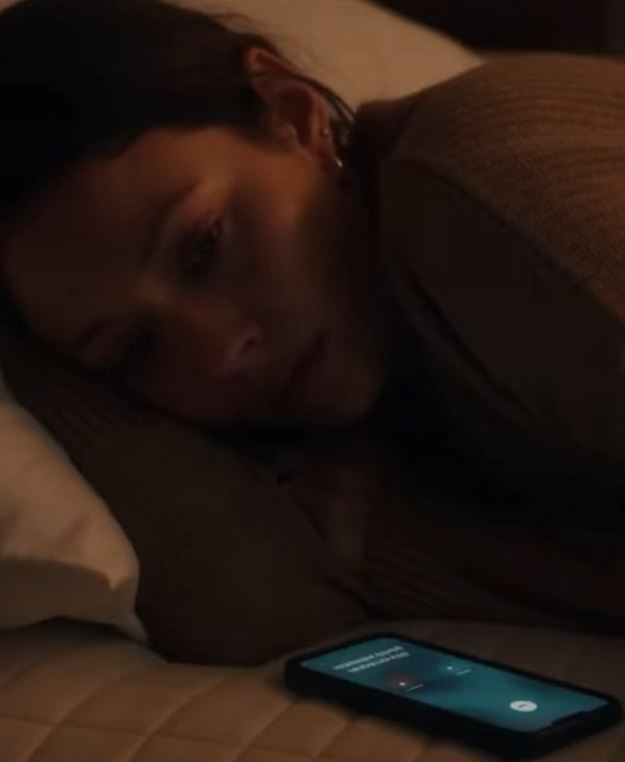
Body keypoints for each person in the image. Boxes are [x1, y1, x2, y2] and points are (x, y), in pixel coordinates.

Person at [2, 0, 625, 651]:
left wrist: (409, 546)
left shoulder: (472, 193)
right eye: (133, 349)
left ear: (293, 117)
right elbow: (256, 610)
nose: (218, 352)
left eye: (204, 247)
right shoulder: (358, 436)